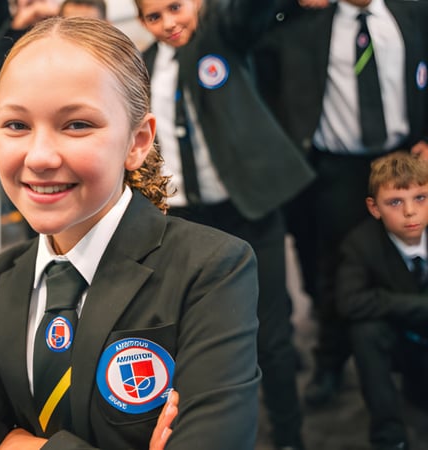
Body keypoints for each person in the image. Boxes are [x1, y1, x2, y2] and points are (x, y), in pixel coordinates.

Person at [0, 17, 260, 449]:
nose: (41, 156)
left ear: (137, 141)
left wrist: (20, 444)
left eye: (77, 125)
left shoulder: (209, 270)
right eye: (16, 125)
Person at [134, 0, 313, 448]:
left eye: (176, 7)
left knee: (270, 334)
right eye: (154, 17)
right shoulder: (144, 67)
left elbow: (248, 11)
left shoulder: (221, 36)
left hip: (246, 212)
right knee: (197, 337)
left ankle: (289, 435)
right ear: (142, 22)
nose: (169, 23)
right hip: (184, 221)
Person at [255, 0, 428, 409]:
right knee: (332, 267)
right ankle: (331, 362)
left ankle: (410, 356)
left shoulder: (414, 13)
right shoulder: (304, 21)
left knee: (410, 251)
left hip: (406, 155)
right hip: (335, 168)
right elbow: (252, 24)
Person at [335, 151, 428, 450]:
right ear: (374, 208)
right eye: (395, 202)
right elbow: (349, 302)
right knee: (365, 332)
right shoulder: (361, 243)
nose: (410, 212)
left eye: (421, 198)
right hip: (402, 344)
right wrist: (417, 306)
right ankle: (390, 438)